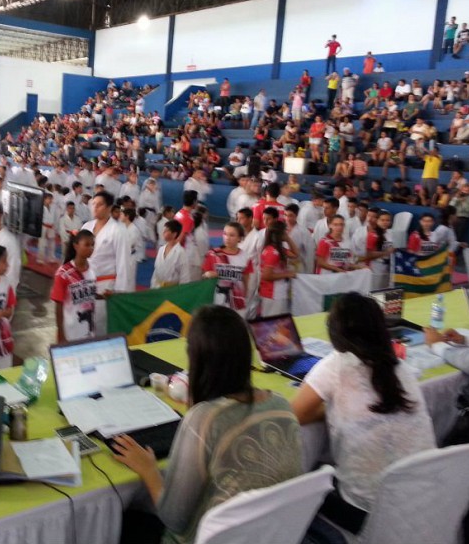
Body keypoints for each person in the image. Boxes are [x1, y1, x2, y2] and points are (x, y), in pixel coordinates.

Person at [113, 305, 303, 544]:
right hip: (268, 536)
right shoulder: (282, 405)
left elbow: (173, 518)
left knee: (125, 519)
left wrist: (148, 469)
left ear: (196, 360)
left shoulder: (204, 419)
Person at [291, 293, 436, 534]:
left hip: (366, 513)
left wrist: (332, 408)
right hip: (424, 503)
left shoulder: (336, 365)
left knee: (302, 488)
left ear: (335, 333)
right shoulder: (400, 369)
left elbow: (295, 414)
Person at [82, 191, 132, 334]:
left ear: (109, 207)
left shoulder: (118, 230)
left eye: (100, 205)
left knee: (100, 326)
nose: (95, 207)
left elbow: (123, 262)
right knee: (83, 325)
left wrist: (119, 291)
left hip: (105, 287)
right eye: (94, 204)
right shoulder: (86, 227)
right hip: (84, 284)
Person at [50, 230, 97, 343]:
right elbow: (58, 306)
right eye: (87, 245)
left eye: (92, 245)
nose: (91, 248)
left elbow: (89, 293)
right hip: (70, 331)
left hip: (89, 329)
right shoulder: (63, 273)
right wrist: (61, 334)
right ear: (76, 246)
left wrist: (103, 296)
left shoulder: (93, 268)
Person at [202, 222, 252, 317]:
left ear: (239, 238)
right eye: (225, 234)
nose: (227, 238)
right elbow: (204, 276)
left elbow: (246, 279)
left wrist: (245, 295)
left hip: (237, 300)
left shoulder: (245, 257)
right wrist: (208, 274)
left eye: (232, 235)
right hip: (217, 299)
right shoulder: (213, 254)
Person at [259, 222, 298, 316]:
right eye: (285, 231)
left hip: (279, 292)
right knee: (273, 321)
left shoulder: (280, 249)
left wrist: (288, 239)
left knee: (280, 320)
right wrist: (287, 274)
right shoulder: (272, 252)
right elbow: (266, 275)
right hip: (272, 294)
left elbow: (295, 254)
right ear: (280, 233)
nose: (287, 233)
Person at [151, 219, 190, 289]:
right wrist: (153, 286)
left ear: (174, 234)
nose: (163, 232)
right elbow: (156, 271)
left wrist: (182, 292)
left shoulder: (181, 252)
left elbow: (185, 277)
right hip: (158, 287)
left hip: (173, 290)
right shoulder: (161, 249)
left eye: (166, 230)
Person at [37, 192, 59, 265]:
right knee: (42, 243)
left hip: (51, 226)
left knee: (52, 243)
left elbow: (55, 217)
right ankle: (40, 259)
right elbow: (38, 218)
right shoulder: (40, 207)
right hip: (43, 226)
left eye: (51, 199)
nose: (50, 200)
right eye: (49, 199)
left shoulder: (53, 207)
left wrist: (55, 227)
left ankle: (51, 258)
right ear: (44, 199)